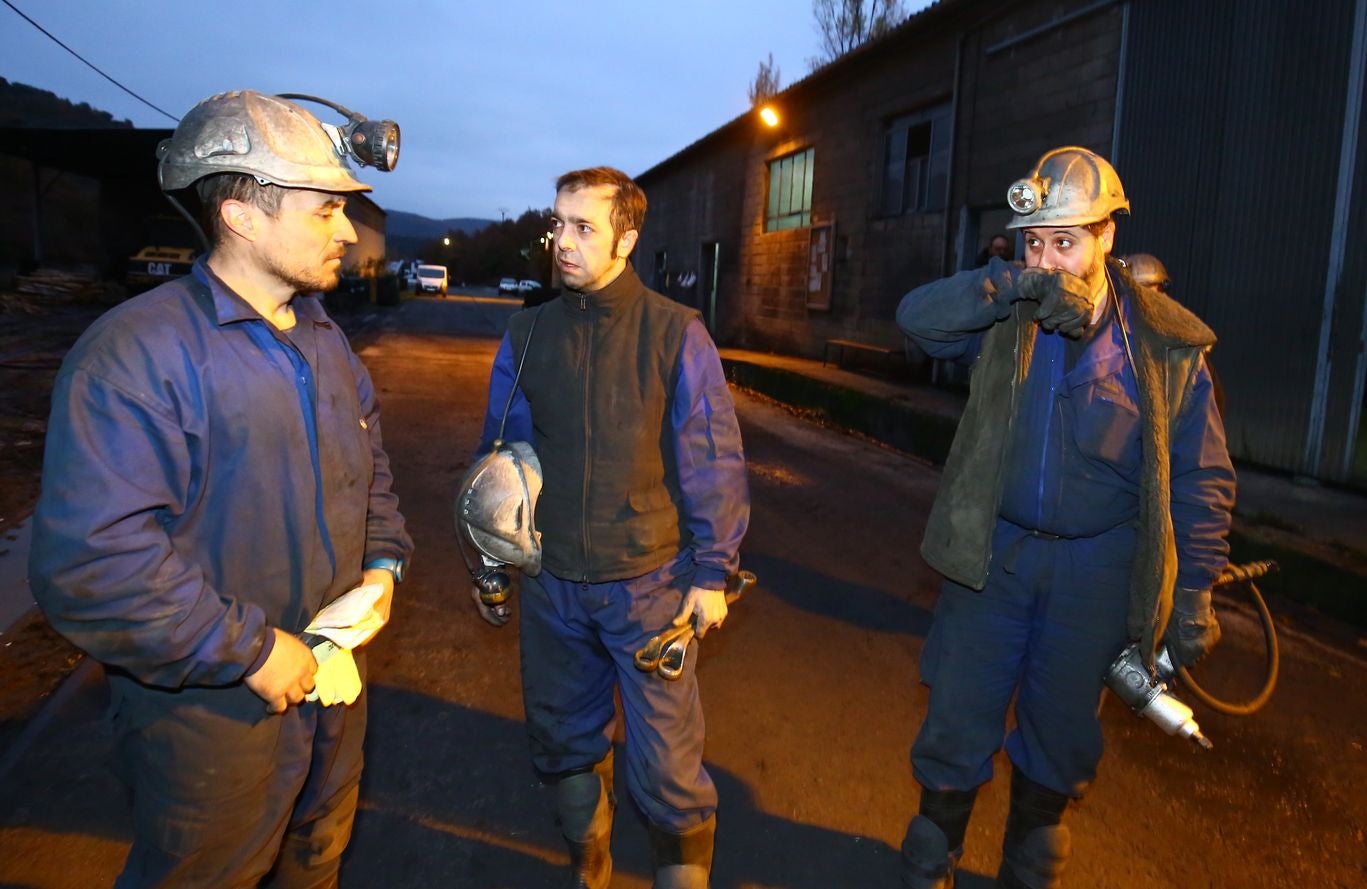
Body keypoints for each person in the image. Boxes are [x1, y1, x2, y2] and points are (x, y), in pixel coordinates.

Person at [29, 90, 413, 888]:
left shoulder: (325, 340)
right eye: (324, 210)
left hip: (333, 695)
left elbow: (369, 472)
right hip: (214, 718)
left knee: (317, 854)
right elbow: (92, 564)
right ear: (241, 216)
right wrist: (247, 648)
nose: (346, 230)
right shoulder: (138, 354)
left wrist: (383, 562)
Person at [894, 146, 1235, 889]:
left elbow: (1202, 479)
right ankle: (929, 863)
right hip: (995, 556)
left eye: (1065, 240)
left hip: (1095, 572)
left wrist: (1193, 593)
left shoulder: (1165, 344)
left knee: (1061, 737)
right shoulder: (1008, 307)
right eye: (1034, 241)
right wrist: (1007, 283)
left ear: (1107, 236)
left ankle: (1029, 865)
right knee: (956, 717)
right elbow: (915, 320)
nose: (1047, 258)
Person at [472, 166, 749, 889]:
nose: (561, 241)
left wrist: (712, 571)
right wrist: (493, 553)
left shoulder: (674, 333)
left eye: (582, 227)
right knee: (563, 741)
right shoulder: (527, 333)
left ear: (625, 238)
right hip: (553, 584)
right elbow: (499, 459)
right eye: (557, 224)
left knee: (666, 766)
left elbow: (709, 457)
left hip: (650, 589)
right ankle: (587, 858)